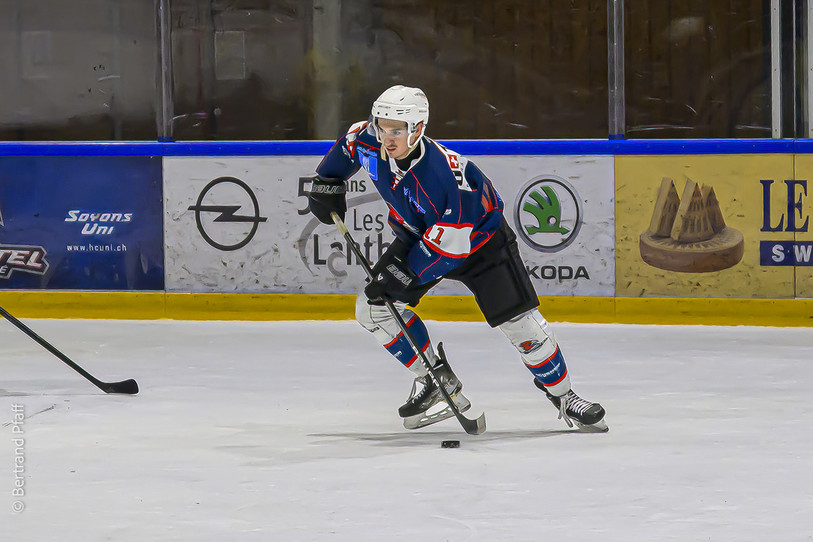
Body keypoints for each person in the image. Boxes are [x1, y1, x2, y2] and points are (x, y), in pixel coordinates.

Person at [308, 85, 607, 432]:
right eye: (382, 127)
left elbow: (450, 250)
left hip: (482, 244)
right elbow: (347, 147)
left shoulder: (443, 177)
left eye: (397, 130)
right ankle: (434, 379)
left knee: (522, 325)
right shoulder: (368, 139)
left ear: (418, 129)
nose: (387, 138)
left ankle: (565, 397)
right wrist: (327, 181)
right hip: (420, 235)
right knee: (373, 310)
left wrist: (401, 276)